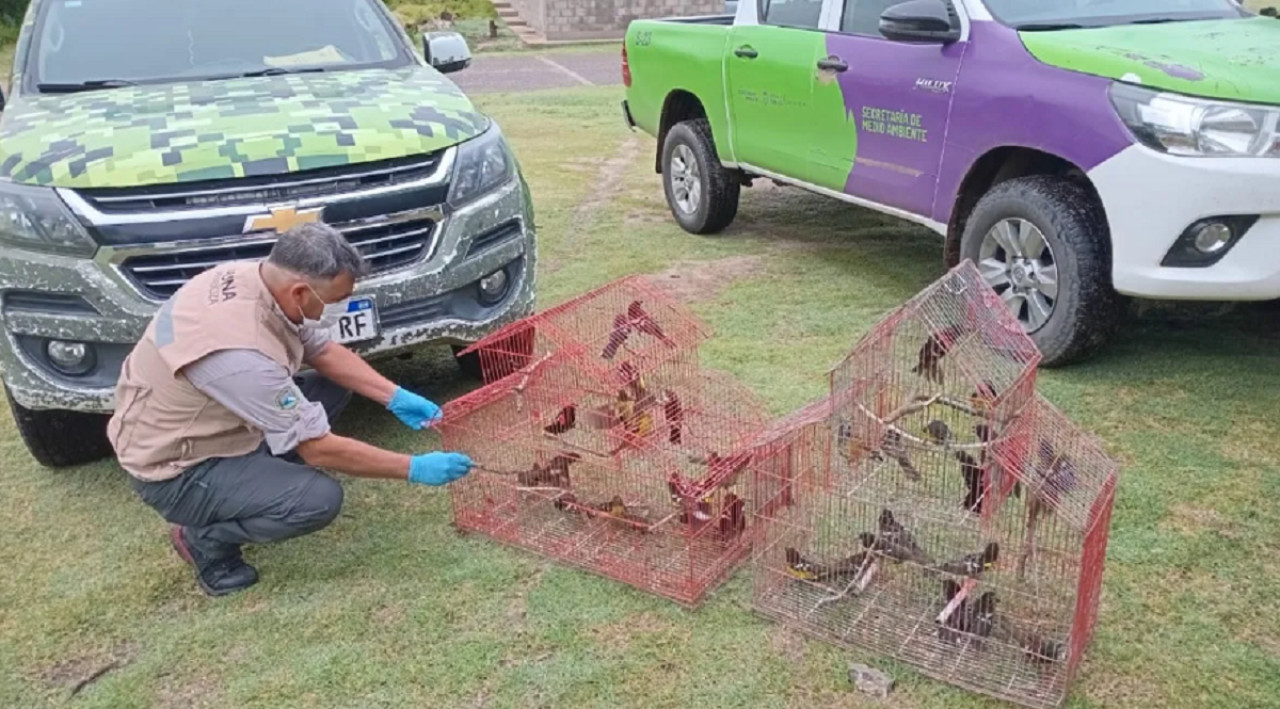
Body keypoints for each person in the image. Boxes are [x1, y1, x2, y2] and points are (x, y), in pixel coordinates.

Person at [106, 222, 473, 597]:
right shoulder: (240, 356)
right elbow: (318, 447)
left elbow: (323, 351)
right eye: (337, 300)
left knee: (334, 383)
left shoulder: (257, 281)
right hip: (179, 468)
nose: (341, 308)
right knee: (318, 500)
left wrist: (394, 396)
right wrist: (414, 468)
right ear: (300, 291)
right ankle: (203, 538)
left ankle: (264, 475)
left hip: (217, 414)